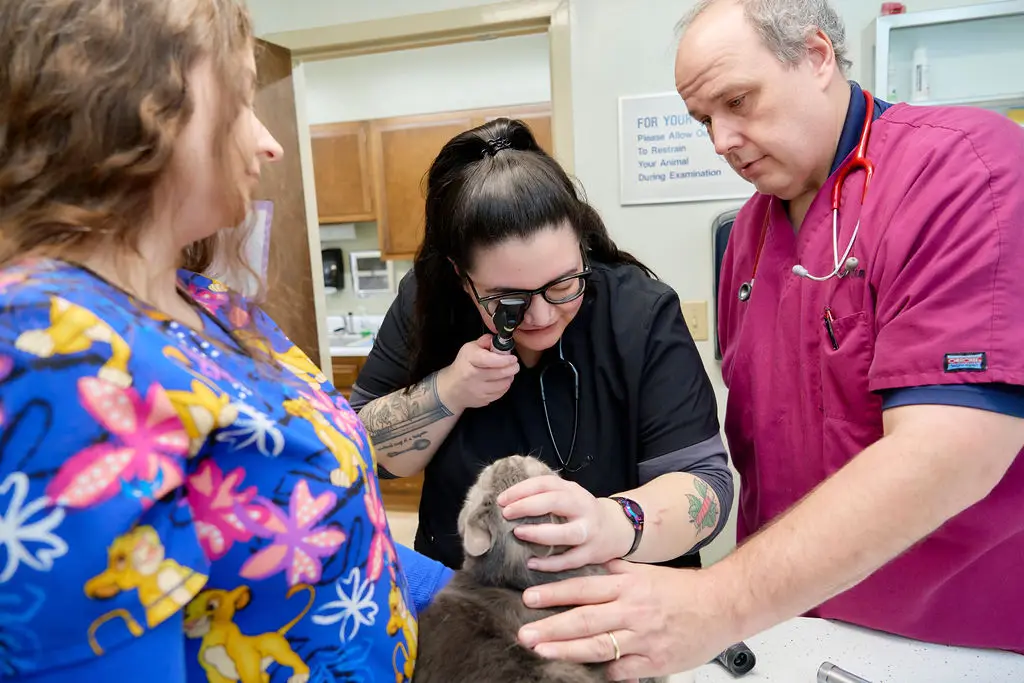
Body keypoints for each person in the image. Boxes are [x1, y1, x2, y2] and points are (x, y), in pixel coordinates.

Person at [511, 0, 1024, 678]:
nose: (721, 139)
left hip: (949, 635)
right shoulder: (747, 237)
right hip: (789, 626)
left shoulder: (966, 171)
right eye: (704, 121)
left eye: (737, 101)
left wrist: (717, 599)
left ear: (815, 58)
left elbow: (952, 449)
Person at [0, 1, 452, 680]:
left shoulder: (214, 309)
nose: (268, 143)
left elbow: (345, 526)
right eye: (241, 100)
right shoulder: (49, 346)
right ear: (147, 103)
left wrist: (481, 599)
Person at [350, 117, 733, 576]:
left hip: (614, 596)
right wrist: (448, 391)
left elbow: (707, 489)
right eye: (507, 299)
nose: (542, 316)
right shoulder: (426, 301)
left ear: (581, 249)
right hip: (467, 601)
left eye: (563, 283)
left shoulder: (639, 313)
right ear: (461, 278)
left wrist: (611, 522)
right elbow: (360, 453)